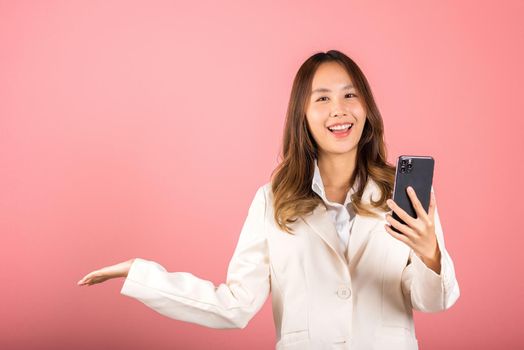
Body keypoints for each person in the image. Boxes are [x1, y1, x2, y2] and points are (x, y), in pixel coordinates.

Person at [77, 49, 460, 350]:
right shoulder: (272, 202)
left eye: (350, 95)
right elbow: (235, 305)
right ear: (303, 116)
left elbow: (433, 302)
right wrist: (140, 273)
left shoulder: (403, 192)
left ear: (367, 109)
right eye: (322, 98)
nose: (339, 110)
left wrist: (430, 254)